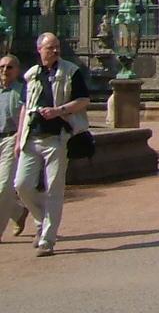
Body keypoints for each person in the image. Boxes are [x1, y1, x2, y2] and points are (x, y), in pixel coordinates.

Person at [14, 33, 91, 256]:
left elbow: (84, 100)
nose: (55, 51)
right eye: (50, 48)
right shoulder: (31, 74)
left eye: (57, 47)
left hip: (57, 138)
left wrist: (59, 111)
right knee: (21, 185)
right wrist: (19, 138)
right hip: (31, 137)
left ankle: (47, 240)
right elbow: (25, 107)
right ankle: (41, 220)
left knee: (54, 190)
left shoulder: (71, 71)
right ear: (40, 49)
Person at [1, 54, 27, 241]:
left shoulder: (23, 91)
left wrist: (20, 140)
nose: (4, 70)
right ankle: (18, 212)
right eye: (2, 67)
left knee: (3, 188)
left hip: (12, 139)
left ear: (17, 71)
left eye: (9, 67)